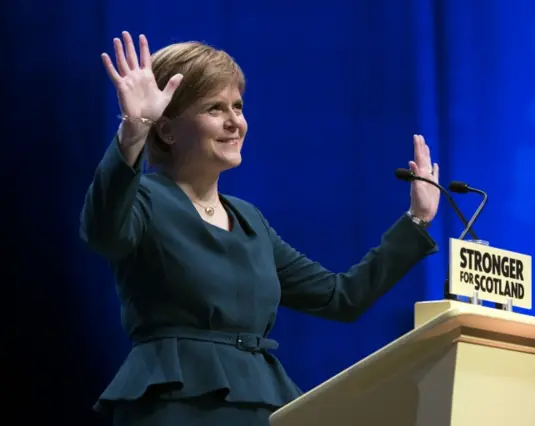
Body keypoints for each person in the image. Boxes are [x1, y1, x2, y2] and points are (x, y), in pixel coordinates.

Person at [80, 30, 442, 426]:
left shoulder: (250, 221)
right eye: (214, 108)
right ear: (167, 130)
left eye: (238, 106)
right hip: (174, 406)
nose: (235, 122)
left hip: (259, 407)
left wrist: (417, 219)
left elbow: (342, 297)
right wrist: (134, 129)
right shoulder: (145, 200)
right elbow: (104, 232)